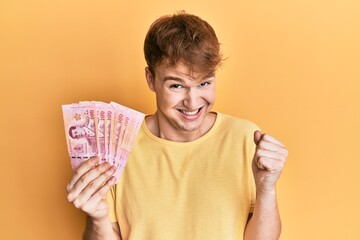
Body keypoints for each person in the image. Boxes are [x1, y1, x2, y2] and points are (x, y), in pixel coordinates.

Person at [66, 12, 288, 240]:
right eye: (176, 86)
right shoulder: (117, 146)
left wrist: (266, 190)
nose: (193, 102)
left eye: (204, 83)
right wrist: (98, 217)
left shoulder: (244, 138)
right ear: (150, 79)